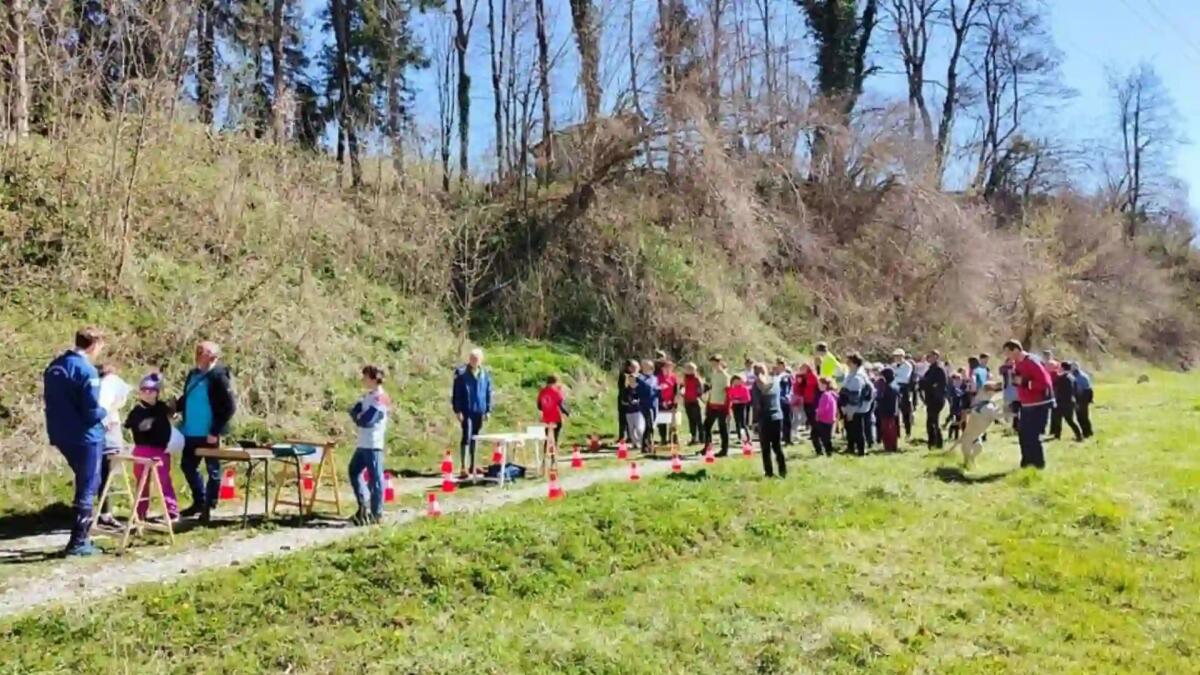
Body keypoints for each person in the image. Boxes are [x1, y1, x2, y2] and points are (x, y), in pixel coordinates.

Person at [43, 327, 109, 556]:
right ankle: (79, 542)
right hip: (86, 435)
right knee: (89, 484)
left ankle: (80, 536)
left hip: (60, 432)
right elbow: (91, 411)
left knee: (84, 479)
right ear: (94, 344)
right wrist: (105, 411)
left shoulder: (55, 366)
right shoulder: (87, 370)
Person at [177, 341, 237, 520]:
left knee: (213, 469)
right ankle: (199, 501)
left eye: (213, 353)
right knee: (187, 467)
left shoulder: (219, 376)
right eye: (206, 352)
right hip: (190, 431)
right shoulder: (193, 375)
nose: (211, 356)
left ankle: (209, 506)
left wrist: (215, 431)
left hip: (209, 432)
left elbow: (229, 406)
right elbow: (188, 397)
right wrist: (176, 407)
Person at [123, 373, 179, 523]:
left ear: (157, 392)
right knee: (142, 482)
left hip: (160, 450)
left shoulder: (162, 408)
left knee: (164, 481)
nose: (147, 393)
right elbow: (139, 426)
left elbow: (173, 415)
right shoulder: (136, 411)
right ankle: (140, 512)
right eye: (144, 390)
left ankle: (171, 511)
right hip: (141, 449)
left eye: (151, 390)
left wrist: (173, 410)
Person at [349, 365, 390, 525]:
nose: (362, 379)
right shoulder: (368, 396)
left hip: (373, 443)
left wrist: (359, 416)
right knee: (354, 471)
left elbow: (367, 420)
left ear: (373, 378)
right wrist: (358, 415)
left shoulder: (381, 398)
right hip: (363, 442)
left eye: (365, 376)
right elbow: (355, 412)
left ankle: (376, 513)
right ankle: (364, 505)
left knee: (376, 479)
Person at [1004, 340, 1054, 469]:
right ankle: (1026, 464)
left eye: (1008, 353)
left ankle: (1038, 465)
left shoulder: (1032, 361)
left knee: (1033, 435)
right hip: (1026, 404)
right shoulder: (1017, 364)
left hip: (1039, 403)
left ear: (1015, 350)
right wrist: (1016, 400)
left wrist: (1026, 383)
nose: (1007, 357)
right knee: (1023, 435)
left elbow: (1045, 383)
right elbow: (1019, 383)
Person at [451, 348, 493, 478]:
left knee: (476, 437)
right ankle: (463, 466)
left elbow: (488, 392)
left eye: (477, 359)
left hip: (479, 410)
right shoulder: (461, 373)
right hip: (466, 410)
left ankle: (473, 465)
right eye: (472, 358)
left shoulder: (485, 374)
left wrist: (488, 410)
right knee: (467, 436)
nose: (474, 361)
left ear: (481, 360)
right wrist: (457, 410)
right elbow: (456, 393)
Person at [96, 364, 127, 530]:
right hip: (104, 435)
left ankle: (104, 512)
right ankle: (103, 514)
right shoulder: (99, 390)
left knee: (106, 476)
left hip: (111, 434)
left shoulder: (107, 389)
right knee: (103, 476)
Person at [754, 363, 786, 477]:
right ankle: (783, 471)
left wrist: (755, 421)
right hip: (777, 415)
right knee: (777, 446)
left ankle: (769, 473)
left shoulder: (757, 384)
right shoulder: (775, 381)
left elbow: (757, 404)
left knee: (765, 447)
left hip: (765, 417)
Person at [838, 353, 872, 457]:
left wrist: (851, 411)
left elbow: (855, 396)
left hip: (856, 408)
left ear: (855, 363)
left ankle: (861, 450)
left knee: (857, 429)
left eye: (849, 361)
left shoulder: (858, 377)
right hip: (848, 407)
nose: (847, 363)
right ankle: (850, 447)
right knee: (849, 428)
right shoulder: (851, 373)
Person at [703, 355, 732, 456]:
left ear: (719, 363)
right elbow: (712, 390)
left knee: (722, 428)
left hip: (722, 406)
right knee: (706, 426)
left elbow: (728, 393)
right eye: (712, 364)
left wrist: (728, 409)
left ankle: (724, 450)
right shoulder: (714, 374)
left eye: (714, 364)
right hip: (712, 404)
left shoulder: (725, 376)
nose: (713, 366)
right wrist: (708, 403)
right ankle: (707, 447)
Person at [1049, 362, 1084, 442]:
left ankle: (1059, 435)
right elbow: (1076, 390)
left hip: (1062, 401)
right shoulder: (1072, 377)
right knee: (1067, 419)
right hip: (1070, 401)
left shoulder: (1062, 378)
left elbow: (1056, 388)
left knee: (1062, 419)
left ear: (1063, 368)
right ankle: (1078, 435)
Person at [920, 350, 947, 449]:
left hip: (936, 399)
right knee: (931, 422)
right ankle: (933, 442)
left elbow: (939, 385)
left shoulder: (939, 369)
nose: (929, 358)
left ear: (936, 357)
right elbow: (924, 382)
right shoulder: (929, 370)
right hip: (930, 399)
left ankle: (936, 442)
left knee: (933, 421)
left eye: (931, 356)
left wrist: (930, 386)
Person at [1064, 361, 1094, 438]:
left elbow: (1083, 389)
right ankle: (1087, 432)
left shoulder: (1079, 377)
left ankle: (1087, 432)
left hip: (1082, 398)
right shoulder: (1081, 375)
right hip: (1082, 397)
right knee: (1082, 416)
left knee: (1082, 416)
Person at [536, 375, 569, 446]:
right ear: (555, 382)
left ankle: (545, 452)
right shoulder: (556, 392)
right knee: (555, 436)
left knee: (547, 436)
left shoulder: (542, 392)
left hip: (546, 418)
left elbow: (539, 406)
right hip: (556, 417)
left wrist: (546, 408)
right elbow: (561, 405)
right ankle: (553, 453)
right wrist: (567, 413)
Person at [636, 360, 660, 453]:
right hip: (645, 404)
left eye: (651, 367)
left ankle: (650, 444)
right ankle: (645, 445)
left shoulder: (655, 378)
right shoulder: (640, 378)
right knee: (649, 425)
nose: (650, 369)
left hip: (654, 404)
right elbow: (641, 389)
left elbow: (656, 390)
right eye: (646, 367)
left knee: (651, 426)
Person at [618, 359, 643, 447]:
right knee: (628, 424)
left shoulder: (641, 378)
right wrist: (625, 400)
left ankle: (641, 441)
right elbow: (623, 390)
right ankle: (630, 440)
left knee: (638, 425)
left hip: (637, 407)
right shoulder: (624, 376)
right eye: (633, 367)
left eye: (636, 367)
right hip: (626, 405)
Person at [891, 349, 915, 438]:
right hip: (894, 389)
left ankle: (908, 432)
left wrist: (895, 377)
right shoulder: (893, 365)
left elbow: (904, 378)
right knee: (895, 411)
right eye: (895, 356)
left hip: (904, 389)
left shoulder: (907, 366)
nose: (896, 358)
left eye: (898, 356)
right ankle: (897, 432)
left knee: (906, 411)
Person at [811, 378, 838, 457]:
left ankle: (820, 451)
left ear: (825, 385)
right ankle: (829, 452)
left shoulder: (825, 395)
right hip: (830, 419)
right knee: (827, 437)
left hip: (823, 419)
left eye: (820, 384)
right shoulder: (833, 394)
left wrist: (817, 413)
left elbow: (823, 408)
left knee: (815, 435)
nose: (818, 386)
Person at [655, 360, 679, 446]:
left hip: (672, 402)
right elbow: (656, 391)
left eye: (671, 367)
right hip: (661, 402)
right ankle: (663, 439)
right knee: (662, 422)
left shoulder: (674, 377)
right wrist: (662, 401)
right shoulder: (658, 378)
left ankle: (673, 439)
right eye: (667, 367)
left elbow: (676, 390)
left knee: (673, 422)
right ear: (662, 368)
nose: (669, 369)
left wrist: (673, 402)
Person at [793, 363, 820, 436]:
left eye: (804, 368)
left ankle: (816, 433)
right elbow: (798, 389)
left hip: (812, 400)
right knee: (809, 418)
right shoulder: (802, 377)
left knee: (813, 418)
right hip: (806, 400)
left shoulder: (812, 376)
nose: (802, 369)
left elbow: (814, 385)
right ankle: (814, 433)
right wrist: (798, 382)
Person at [878, 367, 901, 452]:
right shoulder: (894, 387)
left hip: (887, 411)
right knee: (891, 428)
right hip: (892, 411)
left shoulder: (886, 388)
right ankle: (892, 446)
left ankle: (889, 446)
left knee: (887, 429)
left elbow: (880, 398)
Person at [682, 363, 705, 445]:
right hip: (687, 402)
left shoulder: (697, 379)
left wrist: (697, 396)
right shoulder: (685, 378)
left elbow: (700, 391)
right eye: (687, 368)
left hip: (695, 402)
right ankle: (693, 438)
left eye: (691, 369)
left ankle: (702, 438)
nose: (688, 370)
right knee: (691, 421)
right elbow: (683, 388)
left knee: (698, 421)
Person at [774, 359, 794, 445]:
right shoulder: (775, 376)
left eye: (782, 365)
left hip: (786, 400)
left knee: (787, 420)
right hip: (777, 400)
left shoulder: (787, 376)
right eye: (778, 365)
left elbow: (791, 387)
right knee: (778, 421)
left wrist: (789, 396)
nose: (780, 367)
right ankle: (778, 438)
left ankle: (788, 439)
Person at [728, 375, 752, 444]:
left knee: (743, 422)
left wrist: (740, 400)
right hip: (735, 406)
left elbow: (748, 399)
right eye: (735, 381)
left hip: (742, 406)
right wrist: (733, 400)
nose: (736, 382)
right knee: (737, 422)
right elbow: (730, 397)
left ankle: (748, 437)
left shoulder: (744, 388)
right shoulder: (732, 388)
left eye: (738, 381)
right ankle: (740, 437)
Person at [946, 373, 965, 441]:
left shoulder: (963, 386)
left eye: (959, 379)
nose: (958, 381)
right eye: (956, 380)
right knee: (955, 421)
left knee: (961, 421)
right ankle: (952, 436)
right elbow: (950, 397)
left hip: (961, 407)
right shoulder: (952, 388)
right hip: (954, 406)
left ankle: (960, 436)